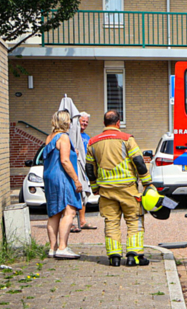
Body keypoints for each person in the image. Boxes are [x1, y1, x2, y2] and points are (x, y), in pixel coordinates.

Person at [86, 111, 157, 267]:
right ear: (118, 123)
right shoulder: (127, 139)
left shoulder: (93, 142)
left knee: (111, 222)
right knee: (134, 221)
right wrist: (147, 184)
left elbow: (89, 169)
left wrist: (94, 187)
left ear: (105, 123)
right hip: (128, 190)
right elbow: (139, 162)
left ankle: (114, 257)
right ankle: (134, 256)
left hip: (106, 191)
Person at [42, 111, 83, 260]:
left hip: (49, 176)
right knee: (69, 211)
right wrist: (76, 181)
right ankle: (62, 247)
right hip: (62, 177)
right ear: (66, 122)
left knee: (54, 213)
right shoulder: (64, 137)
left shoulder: (49, 137)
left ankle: (52, 248)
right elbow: (65, 161)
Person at [74, 112, 97, 233]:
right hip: (73, 170)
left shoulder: (87, 138)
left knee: (83, 196)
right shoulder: (71, 136)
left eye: (86, 122)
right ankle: (70, 222)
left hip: (84, 170)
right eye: (83, 121)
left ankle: (82, 221)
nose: (84, 124)